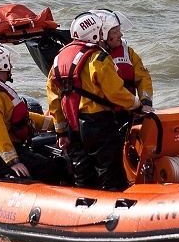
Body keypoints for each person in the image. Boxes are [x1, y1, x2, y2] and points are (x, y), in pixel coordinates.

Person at [47, 11, 141, 191]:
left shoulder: (59, 59)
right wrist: (136, 105)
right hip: (98, 124)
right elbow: (116, 93)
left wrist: (61, 133)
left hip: (72, 127)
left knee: (83, 173)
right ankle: (113, 209)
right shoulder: (98, 58)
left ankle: (84, 209)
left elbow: (54, 100)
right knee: (110, 171)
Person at [0, 43, 67, 183]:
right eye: (9, 63)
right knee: (49, 168)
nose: (11, 67)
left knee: (53, 163)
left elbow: (22, 118)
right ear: (3, 65)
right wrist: (13, 161)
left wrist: (55, 124)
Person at [91, 9, 153, 132]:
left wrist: (145, 103)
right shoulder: (89, 56)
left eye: (119, 31)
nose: (121, 35)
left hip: (128, 112)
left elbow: (143, 78)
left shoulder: (128, 53)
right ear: (102, 35)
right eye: (116, 32)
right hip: (99, 118)